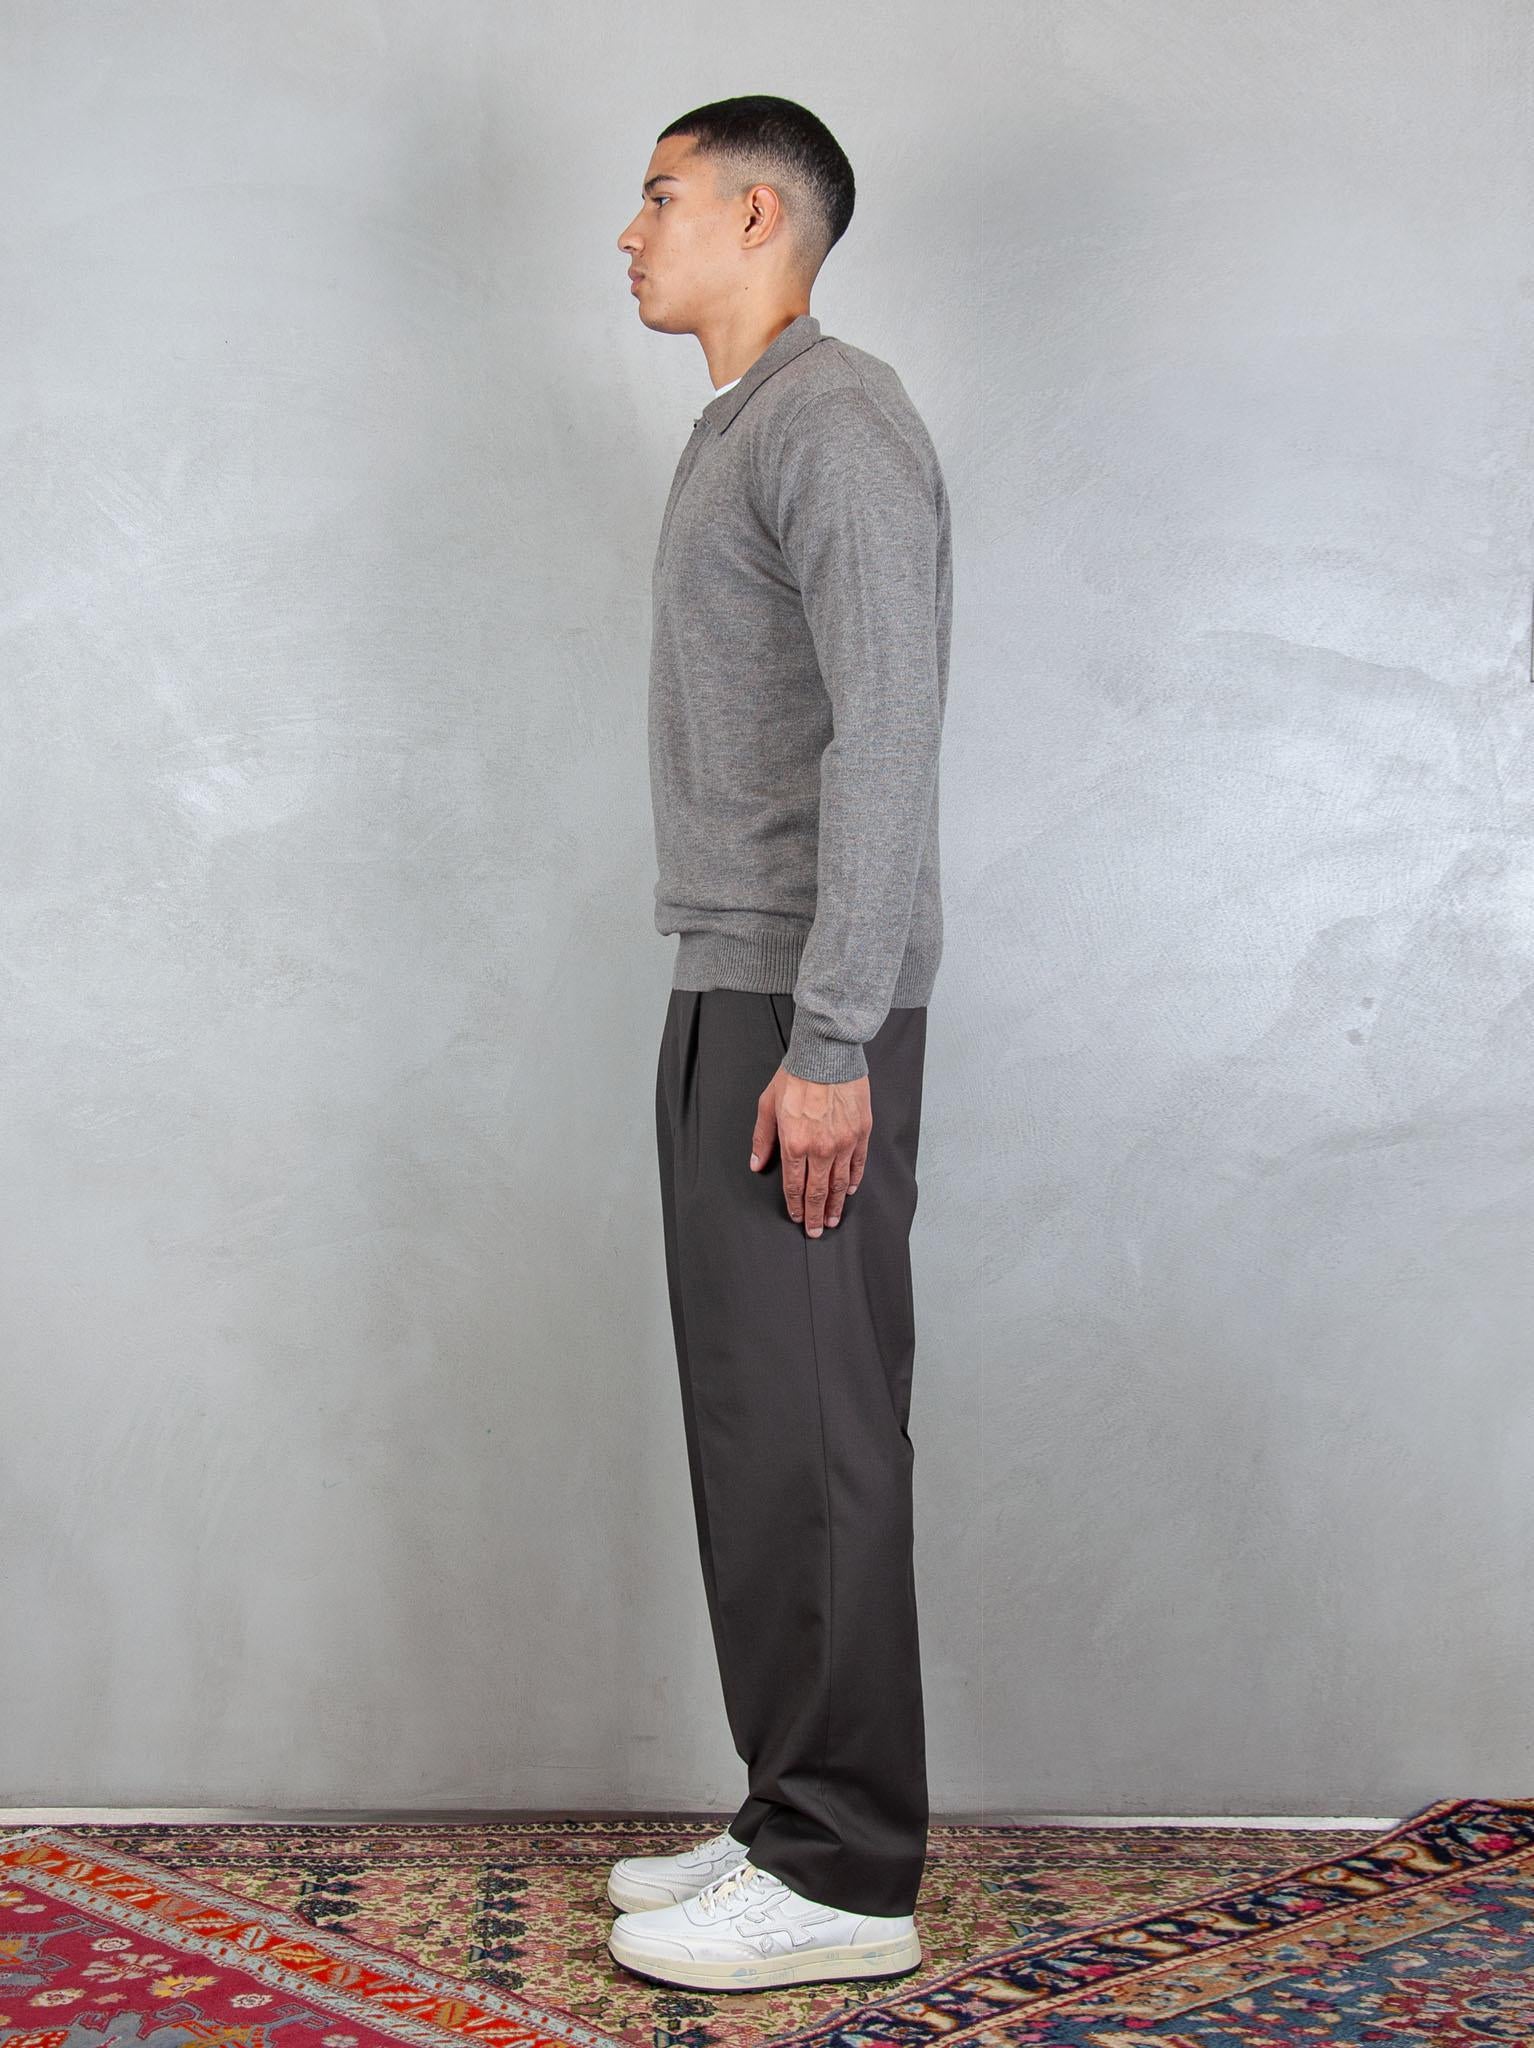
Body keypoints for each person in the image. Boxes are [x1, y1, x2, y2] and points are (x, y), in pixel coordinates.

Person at [607, 93, 952, 1995]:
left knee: (812, 1428)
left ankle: (843, 1871)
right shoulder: (741, 427)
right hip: (728, 981)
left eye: (659, 196)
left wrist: (830, 1039)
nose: (629, 230)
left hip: (801, 1006)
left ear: (757, 217)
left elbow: (886, 738)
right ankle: (784, 1813)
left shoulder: (837, 422)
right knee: (759, 1427)